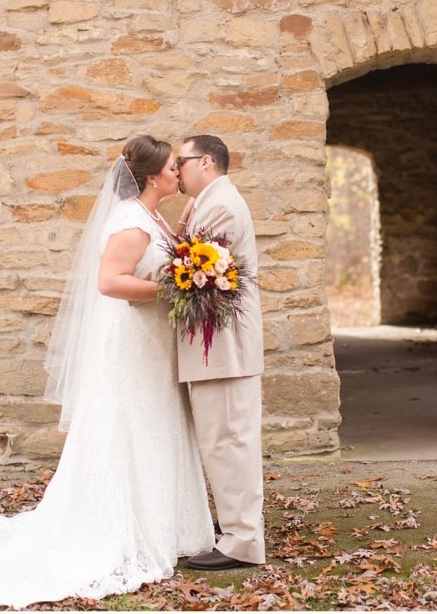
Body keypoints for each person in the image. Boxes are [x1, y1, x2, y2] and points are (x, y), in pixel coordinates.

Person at [0, 136, 214, 609]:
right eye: (172, 169)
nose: (179, 172)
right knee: (132, 425)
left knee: (156, 424)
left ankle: (166, 522)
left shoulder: (153, 216)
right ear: (155, 176)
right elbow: (109, 281)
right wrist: (172, 288)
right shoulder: (131, 221)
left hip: (152, 344)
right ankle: (121, 525)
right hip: (133, 344)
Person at [174, 135, 266, 571]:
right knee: (222, 441)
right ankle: (234, 530)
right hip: (216, 347)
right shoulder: (206, 203)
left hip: (223, 347)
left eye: (182, 161)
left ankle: (242, 542)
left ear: (205, 162)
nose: (176, 170)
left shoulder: (221, 206)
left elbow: (196, 276)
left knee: (230, 442)